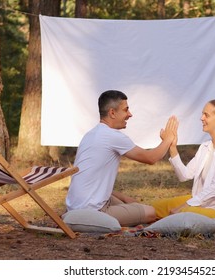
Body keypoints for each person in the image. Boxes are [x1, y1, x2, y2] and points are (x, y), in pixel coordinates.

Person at [65, 90, 178, 226]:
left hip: (75, 206)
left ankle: (128, 207)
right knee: (151, 213)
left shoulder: (90, 135)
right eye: (126, 110)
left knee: (132, 202)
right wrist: (169, 138)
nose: (130, 114)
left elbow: (91, 181)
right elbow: (151, 158)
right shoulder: (113, 136)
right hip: (94, 211)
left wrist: (124, 198)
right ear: (112, 113)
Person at [152, 99, 215, 219]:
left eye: (206, 115)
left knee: (181, 214)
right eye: (202, 114)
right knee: (155, 208)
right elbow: (184, 175)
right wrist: (172, 146)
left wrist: (183, 206)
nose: (201, 118)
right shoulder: (205, 147)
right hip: (202, 203)